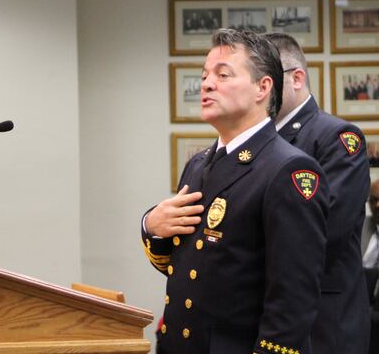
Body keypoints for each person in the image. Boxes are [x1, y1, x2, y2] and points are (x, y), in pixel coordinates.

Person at [141, 29, 329, 353]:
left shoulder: (289, 170)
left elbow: (292, 302)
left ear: (263, 87)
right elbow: (192, 267)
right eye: (204, 75)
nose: (207, 84)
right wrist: (151, 227)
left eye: (223, 74)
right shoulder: (198, 164)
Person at [266, 32, 370, 354]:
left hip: (323, 318)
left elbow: (329, 229)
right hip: (274, 311)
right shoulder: (261, 143)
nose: (260, 87)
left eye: (267, 77)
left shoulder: (337, 137)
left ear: (297, 78)